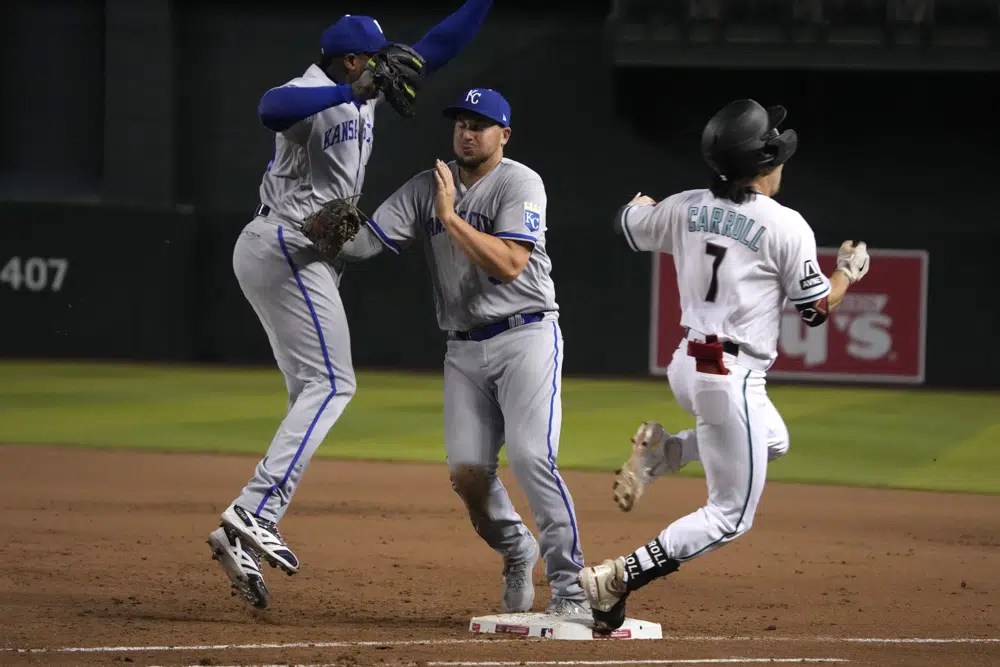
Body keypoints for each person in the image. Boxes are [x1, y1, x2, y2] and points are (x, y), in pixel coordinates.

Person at [206, 1, 494, 610]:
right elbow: (268, 108)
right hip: (282, 243)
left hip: (302, 252)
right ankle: (254, 511)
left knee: (308, 394)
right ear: (353, 59)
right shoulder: (309, 88)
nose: (388, 72)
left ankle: (242, 533)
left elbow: (438, 45)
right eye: (376, 62)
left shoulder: (365, 91)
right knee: (333, 384)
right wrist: (348, 87)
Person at [578, 98, 872, 632]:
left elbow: (628, 222)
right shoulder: (785, 226)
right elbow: (816, 309)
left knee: (774, 440)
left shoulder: (686, 206)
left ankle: (664, 453)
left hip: (690, 362)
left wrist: (638, 204)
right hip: (727, 372)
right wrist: (848, 273)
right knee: (731, 515)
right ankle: (617, 578)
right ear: (764, 164)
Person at [336, 88, 588, 615]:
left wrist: (451, 219)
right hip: (464, 349)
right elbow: (363, 243)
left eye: (480, 124)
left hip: (526, 335)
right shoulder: (429, 186)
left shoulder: (520, 182)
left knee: (531, 456)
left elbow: (511, 264)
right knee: (469, 472)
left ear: (504, 135)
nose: (467, 132)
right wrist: (322, 220)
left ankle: (569, 588)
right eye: (460, 123)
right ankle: (518, 547)